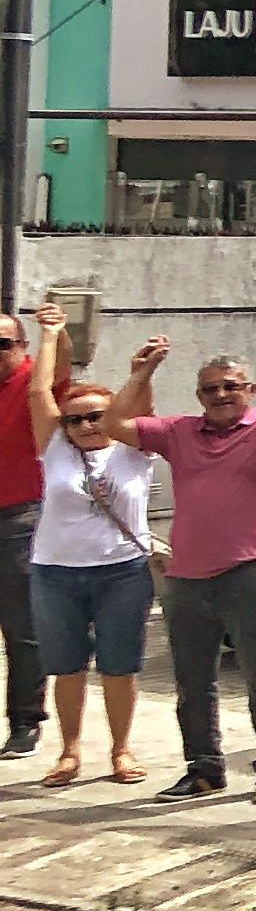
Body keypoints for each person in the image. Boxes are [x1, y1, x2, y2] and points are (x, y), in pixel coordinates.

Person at [106, 337, 256, 806]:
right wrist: (141, 373)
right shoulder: (178, 431)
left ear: (250, 389)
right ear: (199, 395)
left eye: (231, 386)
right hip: (187, 576)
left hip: (252, 572)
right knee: (193, 682)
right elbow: (113, 424)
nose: (221, 395)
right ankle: (204, 770)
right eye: (210, 388)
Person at [24, 306, 153, 785]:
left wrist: (142, 373)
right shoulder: (56, 448)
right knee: (66, 666)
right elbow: (39, 391)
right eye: (74, 420)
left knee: (119, 666)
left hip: (122, 571)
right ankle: (69, 752)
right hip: (55, 571)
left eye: (96, 416)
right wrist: (50, 335)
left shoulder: (133, 450)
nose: (85, 426)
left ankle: (121, 750)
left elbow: (140, 404)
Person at [0, 306, 51, 757]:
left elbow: (60, 376)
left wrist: (56, 333)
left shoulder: (37, 382)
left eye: (3, 344)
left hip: (20, 515)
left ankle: (25, 721)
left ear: (22, 347)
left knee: (21, 625)